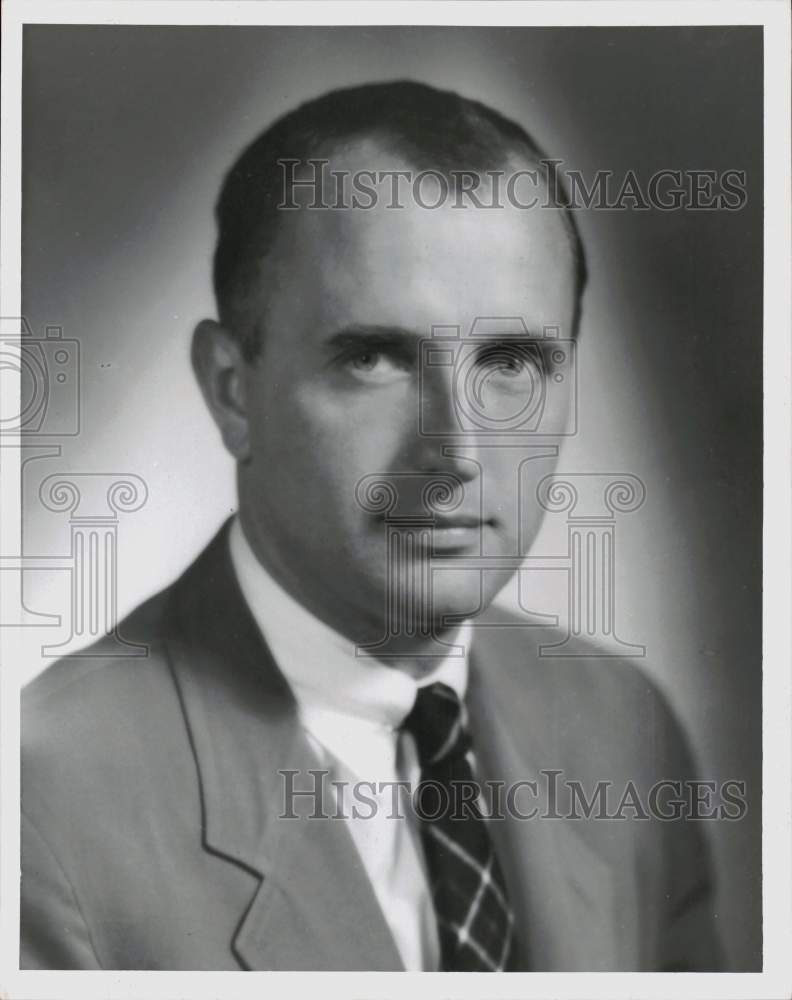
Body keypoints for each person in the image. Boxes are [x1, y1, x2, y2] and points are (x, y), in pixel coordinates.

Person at [21, 80, 723, 972]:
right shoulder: (42, 813)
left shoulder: (624, 731)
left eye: (512, 361)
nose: (458, 450)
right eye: (375, 357)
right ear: (232, 391)